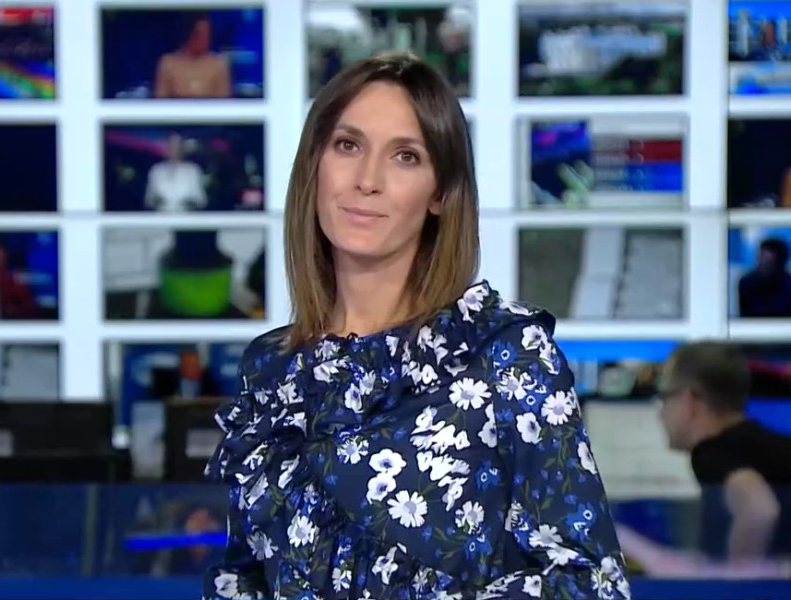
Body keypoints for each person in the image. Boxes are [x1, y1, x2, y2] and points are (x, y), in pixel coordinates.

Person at [202, 52, 629, 599]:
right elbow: (247, 574)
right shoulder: (272, 368)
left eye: (405, 156)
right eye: (347, 146)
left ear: (440, 194)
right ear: (314, 165)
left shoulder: (506, 356)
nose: (367, 180)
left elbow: (593, 584)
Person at [616, 341, 791, 578]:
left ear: (689, 401)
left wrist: (736, 580)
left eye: (664, 397)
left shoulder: (713, 452)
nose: (660, 414)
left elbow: (760, 509)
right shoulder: (755, 443)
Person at [154, 13, 230, 99]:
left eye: (208, 34)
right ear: (189, 35)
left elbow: (223, 102)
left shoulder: (219, 64)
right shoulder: (168, 63)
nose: (206, 39)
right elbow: (161, 100)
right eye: (200, 35)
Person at [143, 133, 207, 212]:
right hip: (161, 217)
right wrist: (156, 201)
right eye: (170, 146)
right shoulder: (156, 170)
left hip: (185, 217)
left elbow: (201, 200)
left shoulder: (193, 170)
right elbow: (149, 199)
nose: (173, 150)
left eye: (176, 146)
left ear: (182, 148)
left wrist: (188, 203)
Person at [738, 237, 791, 318]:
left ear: (780, 263)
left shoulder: (788, 285)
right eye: (760, 259)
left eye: (768, 262)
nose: (762, 264)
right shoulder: (746, 283)